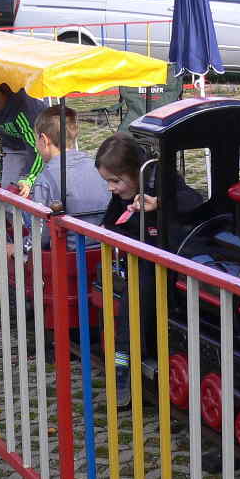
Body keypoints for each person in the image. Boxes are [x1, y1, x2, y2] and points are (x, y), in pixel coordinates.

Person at [95, 132, 204, 406]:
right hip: (141, 257)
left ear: (134, 172)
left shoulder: (160, 178)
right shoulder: (122, 194)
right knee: (132, 298)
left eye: (115, 181)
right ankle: (123, 364)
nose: (111, 188)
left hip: (171, 255)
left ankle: (126, 362)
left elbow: (194, 200)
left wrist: (160, 204)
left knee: (136, 295)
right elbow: (110, 221)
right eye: (107, 182)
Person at [29, 104, 110, 246]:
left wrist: (22, 246)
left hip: (69, 252)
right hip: (105, 247)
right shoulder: (98, 167)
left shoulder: (45, 179)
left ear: (44, 140)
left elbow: (40, 236)